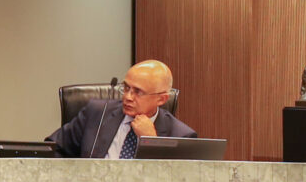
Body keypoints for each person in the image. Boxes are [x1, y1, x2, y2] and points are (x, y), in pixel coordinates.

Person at [48, 60, 198, 158]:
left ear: (161, 99)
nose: (128, 97)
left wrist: (152, 142)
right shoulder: (96, 113)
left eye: (138, 92)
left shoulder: (181, 136)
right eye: (126, 88)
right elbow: (52, 150)